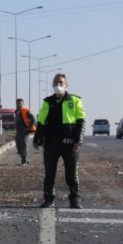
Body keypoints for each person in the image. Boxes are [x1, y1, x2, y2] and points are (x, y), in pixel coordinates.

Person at [33, 73, 86, 208]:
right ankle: (48, 198)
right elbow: (41, 122)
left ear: (66, 85)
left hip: (69, 144)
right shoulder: (47, 102)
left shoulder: (74, 101)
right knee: (49, 174)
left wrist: (78, 140)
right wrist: (37, 139)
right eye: (56, 83)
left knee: (71, 174)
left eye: (61, 83)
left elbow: (81, 122)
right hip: (51, 143)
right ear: (52, 85)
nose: (58, 85)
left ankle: (75, 199)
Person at [14, 98, 36, 165]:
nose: (19, 105)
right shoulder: (16, 111)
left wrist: (29, 127)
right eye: (17, 103)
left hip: (24, 131)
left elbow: (33, 118)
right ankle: (24, 159)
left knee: (23, 145)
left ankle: (24, 161)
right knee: (18, 145)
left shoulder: (25, 111)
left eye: (20, 103)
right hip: (18, 131)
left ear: (23, 104)